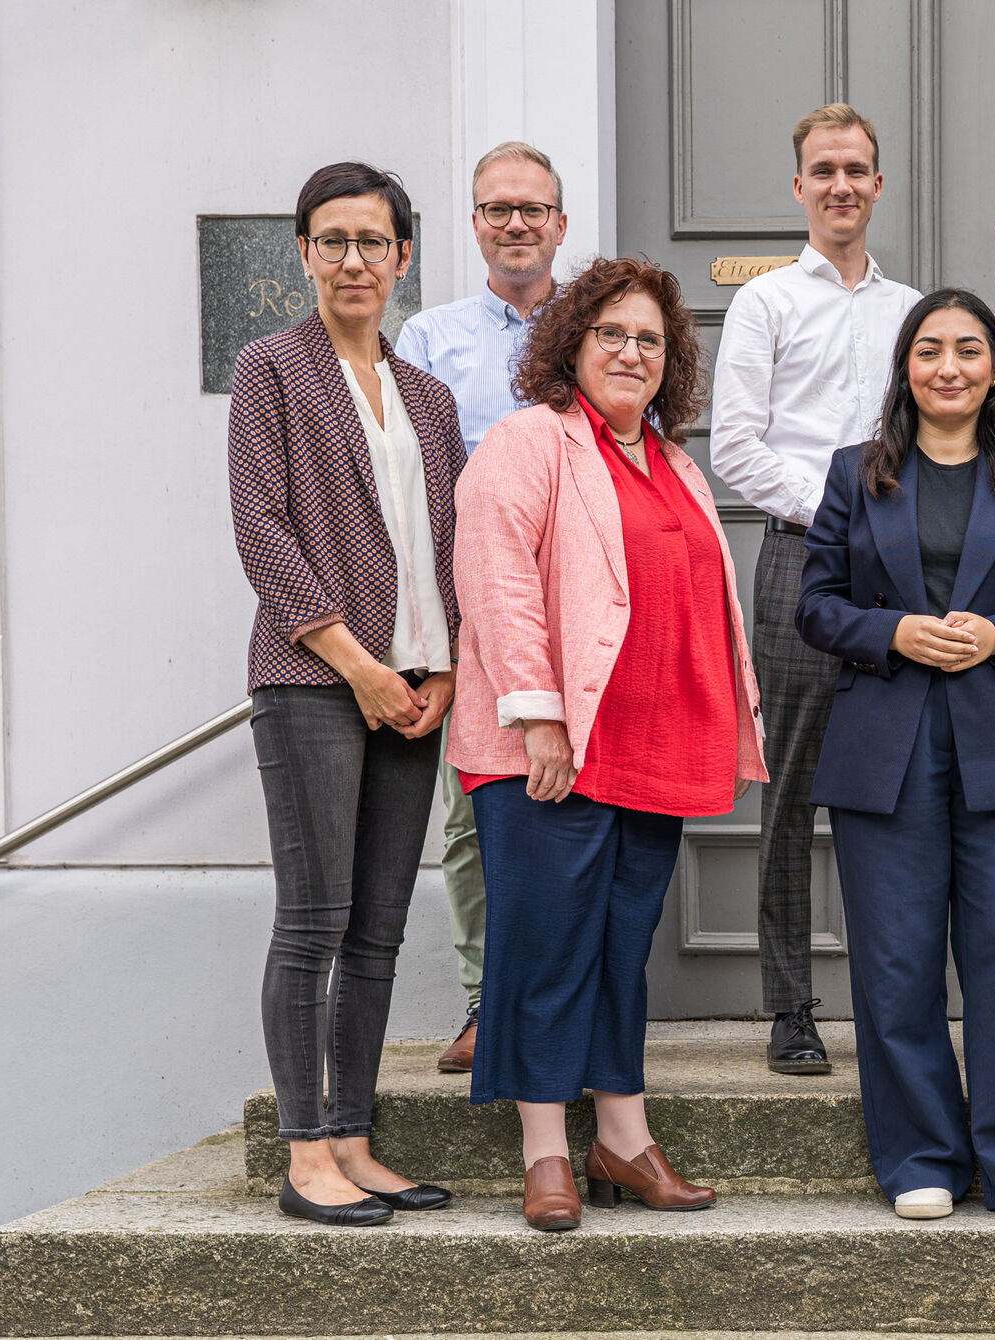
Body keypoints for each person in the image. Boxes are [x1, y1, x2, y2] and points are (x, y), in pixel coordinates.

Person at [449, 256, 768, 1232]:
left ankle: (623, 1138)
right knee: (546, 945)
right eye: (612, 334)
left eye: (650, 340)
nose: (632, 352)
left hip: (652, 745)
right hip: (552, 748)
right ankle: (545, 1149)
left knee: (620, 948)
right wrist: (539, 714)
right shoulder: (529, 441)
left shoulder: (673, 462)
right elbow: (497, 580)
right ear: (572, 344)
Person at [797, 289, 995, 1224]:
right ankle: (920, 1155)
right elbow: (815, 605)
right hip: (886, 743)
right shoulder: (856, 474)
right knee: (896, 959)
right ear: (906, 368)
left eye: (968, 349)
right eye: (929, 350)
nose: (948, 367)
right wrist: (894, 631)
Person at [228, 162, 462, 1227]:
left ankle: (356, 1137)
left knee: (378, 929)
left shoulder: (429, 398)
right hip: (315, 680)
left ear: (402, 256)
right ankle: (305, 1151)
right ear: (306, 254)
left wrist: (444, 662)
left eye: (372, 241)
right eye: (333, 241)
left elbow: (447, 538)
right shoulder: (272, 368)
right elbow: (261, 529)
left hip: (414, 689)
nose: (353, 260)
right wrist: (357, 665)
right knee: (313, 920)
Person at [711, 102, 922, 1076]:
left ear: (878, 185)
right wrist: (836, 510)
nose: (841, 185)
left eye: (856, 169)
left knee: (895, 788)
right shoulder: (763, 305)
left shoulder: (910, 311)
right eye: (823, 170)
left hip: (901, 572)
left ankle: (894, 1001)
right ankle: (790, 1006)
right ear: (799, 187)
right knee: (790, 788)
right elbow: (734, 447)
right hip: (800, 560)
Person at [394, 140, 568, 1075]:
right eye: (498, 209)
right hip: (471, 610)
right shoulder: (429, 340)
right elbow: (412, 485)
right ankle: (484, 1000)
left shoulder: (597, 331)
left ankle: (575, 998)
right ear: (474, 225)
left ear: (560, 224)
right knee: (474, 814)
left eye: (532, 208)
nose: (515, 224)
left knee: (592, 806)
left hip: (582, 604)